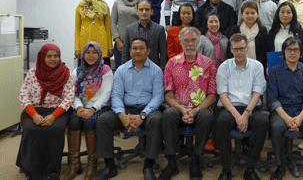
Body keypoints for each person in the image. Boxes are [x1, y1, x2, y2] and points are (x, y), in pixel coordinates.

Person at [94, 38, 164, 180]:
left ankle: (149, 165)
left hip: (148, 110)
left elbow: (158, 97)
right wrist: (122, 115)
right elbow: (117, 96)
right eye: (134, 48)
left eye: (141, 48)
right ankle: (109, 166)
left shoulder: (156, 71)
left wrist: (142, 115)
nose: (137, 51)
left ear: (148, 51)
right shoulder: (121, 70)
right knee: (103, 121)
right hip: (126, 109)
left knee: (156, 120)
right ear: (130, 51)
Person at [160, 27, 216, 180]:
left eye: (193, 40)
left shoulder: (208, 64)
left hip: (201, 108)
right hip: (178, 107)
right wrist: (183, 110)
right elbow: (168, 95)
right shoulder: (172, 63)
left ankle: (195, 162)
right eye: (186, 40)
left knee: (206, 117)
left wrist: (196, 110)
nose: (190, 43)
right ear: (180, 42)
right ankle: (171, 163)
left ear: (199, 41)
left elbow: (212, 96)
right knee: (168, 115)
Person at [17, 44, 75, 180]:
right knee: (31, 129)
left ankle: (53, 172)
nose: (53, 59)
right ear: (42, 57)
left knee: (55, 129)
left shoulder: (66, 73)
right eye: (49, 56)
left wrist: (54, 116)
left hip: (57, 110)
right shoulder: (33, 73)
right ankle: (31, 170)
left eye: (56, 56)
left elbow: (69, 98)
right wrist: (34, 114)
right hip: (34, 110)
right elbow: (23, 95)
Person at [268, 37, 303, 180]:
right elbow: (273, 99)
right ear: (284, 52)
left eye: (296, 50)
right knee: (277, 127)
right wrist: (286, 118)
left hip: (302, 111)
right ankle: (280, 167)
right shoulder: (275, 71)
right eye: (289, 50)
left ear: (300, 52)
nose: (292, 53)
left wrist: (299, 118)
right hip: (281, 111)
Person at [215, 33, 268, 180]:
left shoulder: (257, 66)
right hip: (229, 108)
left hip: (250, 108)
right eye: (236, 49)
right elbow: (223, 95)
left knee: (263, 122)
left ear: (247, 48)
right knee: (221, 122)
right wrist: (238, 117)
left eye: (242, 48)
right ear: (231, 49)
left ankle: (250, 169)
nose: (239, 52)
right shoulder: (223, 67)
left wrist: (245, 114)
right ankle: (226, 169)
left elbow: (257, 93)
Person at [64, 42, 112, 180]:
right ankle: (74, 164)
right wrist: (79, 107)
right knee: (73, 121)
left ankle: (92, 164)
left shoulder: (105, 70)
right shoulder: (77, 71)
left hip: (100, 107)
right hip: (81, 106)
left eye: (94, 52)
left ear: (99, 54)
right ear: (83, 54)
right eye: (88, 52)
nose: (91, 56)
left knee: (89, 123)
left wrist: (92, 109)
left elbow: (106, 94)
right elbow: (73, 94)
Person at [75, 0, 113, 67]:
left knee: (103, 72)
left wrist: (110, 47)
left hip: (102, 43)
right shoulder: (80, 7)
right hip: (84, 42)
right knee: (84, 74)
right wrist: (77, 48)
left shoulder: (104, 6)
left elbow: (108, 28)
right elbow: (77, 28)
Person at [122, 0, 167, 71]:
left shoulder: (159, 29)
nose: (144, 12)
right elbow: (125, 53)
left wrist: (162, 70)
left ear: (152, 12)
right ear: (137, 12)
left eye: (147, 9)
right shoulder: (129, 29)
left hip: (153, 70)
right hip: (133, 69)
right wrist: (124, 70)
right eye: (141, 9)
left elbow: (163, 54)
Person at [227, 2, 268, 69]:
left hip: (257, 68)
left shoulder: (262, 30)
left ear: (257, 15)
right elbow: (229, 51)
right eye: (247, 13)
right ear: (242, 15)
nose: (250, 16)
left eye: (253, 13)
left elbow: (265, 51)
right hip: (237, 67)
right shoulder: (235, 30)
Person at [110, 0, 140, 69]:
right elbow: (112, 22)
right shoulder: (117, 3)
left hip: (137, 44)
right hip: (121, 44)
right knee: (121, 71)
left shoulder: (141, 3)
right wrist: (118, 41)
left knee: (137, 70)